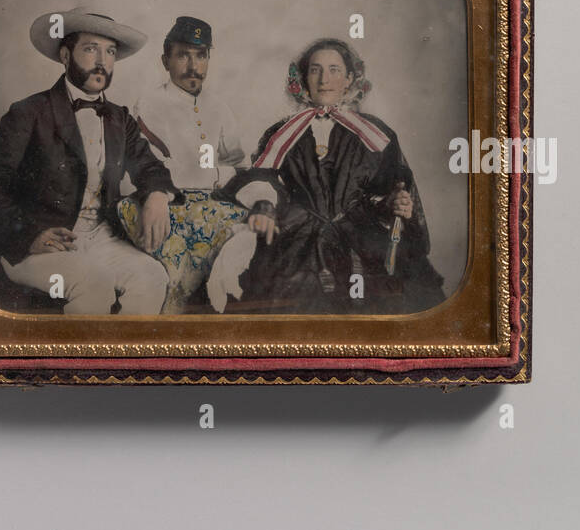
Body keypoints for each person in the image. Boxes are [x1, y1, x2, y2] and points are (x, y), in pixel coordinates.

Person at [0, 6, 176, 315]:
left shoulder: (119, 118)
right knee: (94, 283)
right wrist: (28, 235)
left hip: (101, 238)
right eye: (91, 49)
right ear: (65, 56)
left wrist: (158, 194)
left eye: (110, 52)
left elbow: (151, 167)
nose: (103, 62)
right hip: (37, 243)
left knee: (152, 276)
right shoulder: (29, 112)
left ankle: (124, 362)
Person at [241, 38, 445, 314]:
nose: (324, 79)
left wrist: (396, 204)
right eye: (315, 70)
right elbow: (262, 180)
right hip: (298, 235)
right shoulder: (281, 133)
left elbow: (391, 188)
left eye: (334, 70)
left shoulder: (375, 133)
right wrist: (264, 207)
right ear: (303, 78)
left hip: (361, 231)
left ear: (349, 79)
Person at [119, 16, 278, 312]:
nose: (193, 67)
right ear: (165, 61)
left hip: (214, 202)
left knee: (258, 243)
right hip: (169, 202)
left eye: (201, 56)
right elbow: (150, 170)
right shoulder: (149, 103)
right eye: (183, 56)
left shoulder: (218, 106)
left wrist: (223, 175)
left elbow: (238, 163)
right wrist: (214, 175)